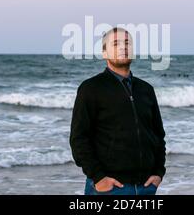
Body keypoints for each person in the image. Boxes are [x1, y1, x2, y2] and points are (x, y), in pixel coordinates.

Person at [69, 27, 166, 195]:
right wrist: (98, 178)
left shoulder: (146, 89)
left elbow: (158, 135)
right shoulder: (91, 88)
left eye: (127, 43)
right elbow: (79, 139)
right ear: (105, 53)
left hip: (146, 187)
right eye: (116, 43)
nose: (123, 47)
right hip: (110, 188)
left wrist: (158, 172)